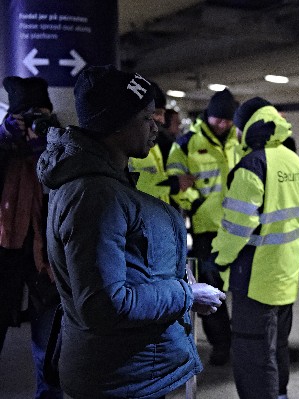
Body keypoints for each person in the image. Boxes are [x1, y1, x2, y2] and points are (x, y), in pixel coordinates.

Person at [36, 65, 226, 399]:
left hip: (128, 371)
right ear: (116, 123)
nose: (156, 125)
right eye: (146, 117)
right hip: (119, 377)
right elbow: (104, 304)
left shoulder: (106, 183)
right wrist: (186, 295)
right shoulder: (96, 196)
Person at [210, 97, 299, 399]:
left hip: (255, 278)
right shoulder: (293, 160)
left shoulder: (253, 165)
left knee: (253, 355)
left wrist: (219, 258)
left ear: (247, 126)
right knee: (277, 347)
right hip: (286, 272)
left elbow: (236, 228)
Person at [0, 76, 63, 399]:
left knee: (50, 348)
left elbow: (69, 194)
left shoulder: (60, 149)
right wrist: (4, 140)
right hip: (3, 259)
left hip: (46, 262)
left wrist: (46, 152)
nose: (34, 122)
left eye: (42, 114)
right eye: (28, 115)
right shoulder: (3, 148)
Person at [166, 88, 239, 365]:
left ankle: (242, 340)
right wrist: (195, 201)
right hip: (207, 227)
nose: (223, 124)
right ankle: (222, 344)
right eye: (219, 119)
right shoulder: (186, 143)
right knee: (212, 289)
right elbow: (176, 179)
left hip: (238, 227)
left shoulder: (238, 140)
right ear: (208, 116)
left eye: (228, 120)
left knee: (242, 286)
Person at [129, 82, 195, 205]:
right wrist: (173, 183)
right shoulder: (127, 146)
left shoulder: (152, 144)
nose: (162, 120)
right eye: (158, 113)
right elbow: (129, 183)